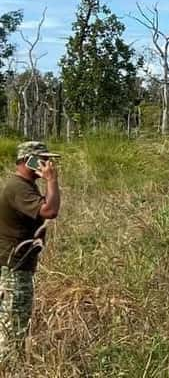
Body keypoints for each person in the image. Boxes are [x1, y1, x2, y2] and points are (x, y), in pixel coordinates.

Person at [0, 141, 61, 363]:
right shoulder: (18, 187)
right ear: (30, 160)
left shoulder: (24, 186)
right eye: (43, 159)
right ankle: (8, 369)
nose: (48, 164)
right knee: (14, 329)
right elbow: (50, 210)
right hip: (15, 268)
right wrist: (52, 180)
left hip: (15, 266)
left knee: (9, 324)